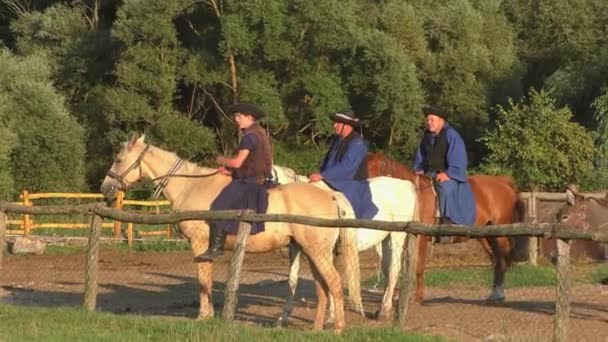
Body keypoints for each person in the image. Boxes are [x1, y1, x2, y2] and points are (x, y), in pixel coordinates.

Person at [194, 102, 273, 262]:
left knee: (217, 207)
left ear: (250, 117)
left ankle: (216, 248)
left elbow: (238, 162)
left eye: (239, 116)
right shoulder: (260, 133)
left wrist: (222, 160)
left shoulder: (249, 137)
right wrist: (231, 172)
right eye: (235, 116)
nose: (236, 120)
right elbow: (250, 163)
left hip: (248, 183)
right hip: (257, 178)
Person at [413, 105, 476, 228]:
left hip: (447, 175)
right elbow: (420, 156)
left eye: (432, 120)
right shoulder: (426, 137)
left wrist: (447, 174)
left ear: (441, 121)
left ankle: (449, 222)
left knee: (446, 188)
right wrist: (418, 169)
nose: (429, 122)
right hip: (427, 174)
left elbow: (458, 159)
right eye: (427, 120)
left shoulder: (452, 136)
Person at [309, 111, 378, 219]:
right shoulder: (337, 140)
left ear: (346, 126)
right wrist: (320, 173)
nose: (334, 125)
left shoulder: (357, 143)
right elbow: (328, 161)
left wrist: (324, 176)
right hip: (333, 178)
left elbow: (346, 167)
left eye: (338, 123)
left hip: (351, 184)